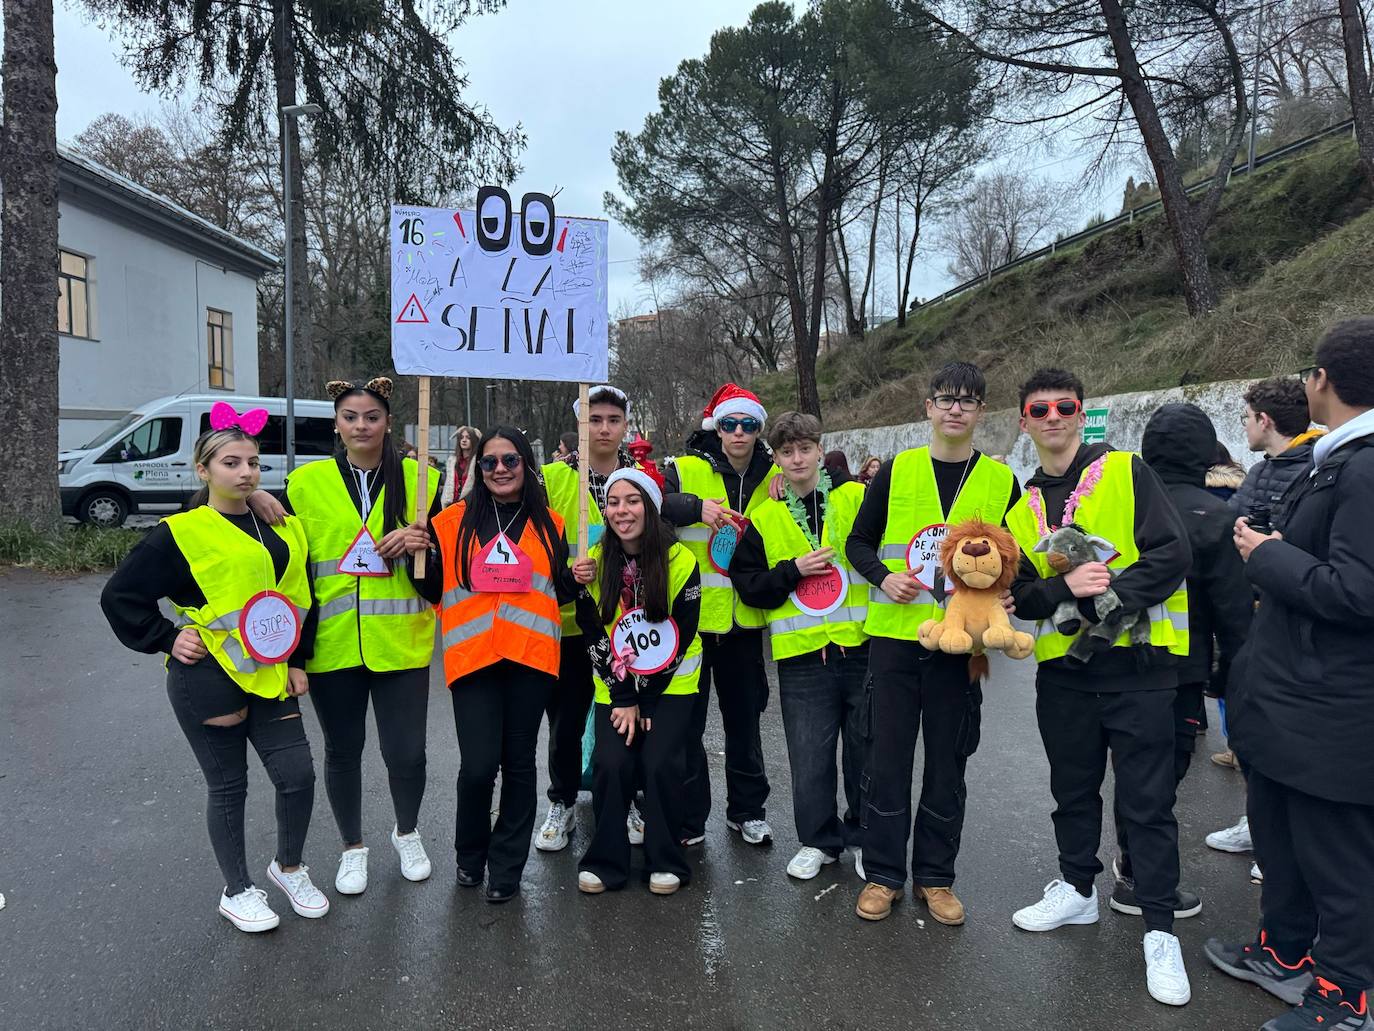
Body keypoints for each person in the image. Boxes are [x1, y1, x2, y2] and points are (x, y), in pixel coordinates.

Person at [1005, 367, 1194, 1007]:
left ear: (1080, 412)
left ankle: (1160, 930)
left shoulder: (1127, 471)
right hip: (1064, 675)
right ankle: (1077, 890)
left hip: (1140, 672)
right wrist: (1064, 591)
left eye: (1065, 406)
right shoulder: (1020, 504)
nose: (1053, 416)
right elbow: (1023, 596)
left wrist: (1104, 599)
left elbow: (1172, 554)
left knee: (1146, 805)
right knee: (1072, 791)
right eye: (1040, 408)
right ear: (1023, 420)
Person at [1207, 319, 1374, 1031]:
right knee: (1282, 838)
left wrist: (1268, 554)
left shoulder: (1365, 467)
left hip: (1331, 709)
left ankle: (1347, 997)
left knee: (1336, 857)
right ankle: (1286, 953)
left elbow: (1358, 591)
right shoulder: (1334, 457)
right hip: (1289, 703)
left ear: (1321, 381)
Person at [102, 421, 326, 933]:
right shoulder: (180, 532)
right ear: (202, 470)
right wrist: (164, 637)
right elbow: (120, 596)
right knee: (229, 786)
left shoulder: (280, 522)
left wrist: (298, 660)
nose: (246, 472)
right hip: (207, 676)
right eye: (231, 463)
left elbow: (300, 597)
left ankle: (289, 867)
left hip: (271, 674)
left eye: (253, 463)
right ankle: (238, 889)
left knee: (297, 776)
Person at [845, 361, 1020, 925]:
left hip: (962, 649)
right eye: (945, 398)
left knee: (949, 764)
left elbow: (1022, 559)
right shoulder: (897, 471)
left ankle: (937, 879)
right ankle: (883, 875)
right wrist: (881, 575)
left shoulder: (999, 481)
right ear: (928, 407)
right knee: (887, 761)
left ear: (980, 412)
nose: (954, 409)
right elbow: (859, 542)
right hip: (896, 644)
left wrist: (1012, 595)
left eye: (967, 401)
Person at [269, 378, 439, 899]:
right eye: (350, 416)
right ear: (337, 424)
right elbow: (286, 561)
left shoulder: (422, 479)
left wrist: (420, 542)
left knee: (407, 753)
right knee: (344, 750)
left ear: (389, 421)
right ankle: (352, 848)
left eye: (371, 416)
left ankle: (407, 833)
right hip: (333, 645)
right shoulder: (304, 482)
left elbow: (441, 576)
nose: (361, 426)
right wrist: (254, 493)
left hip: (401, 640)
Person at [428, 425, 581, 903]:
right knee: (477, 766)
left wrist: (578, 579)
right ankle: (469, 856)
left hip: (530, 660)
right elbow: (433, 589)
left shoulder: (553, 525)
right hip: (473, 659)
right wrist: (419, 557)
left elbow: (562, 593)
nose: (499, 469)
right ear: (479, 469)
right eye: (490, 462)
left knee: (518, 765)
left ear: (526, 466)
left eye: (510, 460)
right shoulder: (449, 522)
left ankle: (507, 867)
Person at [1113, 404, 1252, 917]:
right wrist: (1229, 673)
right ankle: (1142, 876)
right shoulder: (1219, 516)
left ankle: (1128, 863)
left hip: (1121, 658)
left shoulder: (1124, 503)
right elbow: (1236, 614)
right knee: (1162, 772)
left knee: (1127, 767)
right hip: (1185, 667)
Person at [732, 412, 869, 881]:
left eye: (805, 449)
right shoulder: (764, 514)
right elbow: (747, 584)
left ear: (819, 449)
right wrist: (792, 570)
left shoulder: (853, 497)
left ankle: (864, 838)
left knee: (865, 751)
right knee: (808, 755)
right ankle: (818, 841)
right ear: (776, 457)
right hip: (802, 656)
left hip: (860, 646)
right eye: (786, 452)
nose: (797, 459)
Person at [570, 470, 702, 895]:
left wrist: (645, 703)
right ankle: (607, 861)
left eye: (632, 501)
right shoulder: (594, 560)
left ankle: (666, 859)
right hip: (617, 687)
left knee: (659, 761)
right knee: (612, 764)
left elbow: (679, 638)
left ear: (650, 506)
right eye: (613, 502)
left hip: (671, 686)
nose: (622, 511)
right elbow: (592, 633)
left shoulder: (681, 561)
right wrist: (625, 697)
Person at [661, 383, 780, 847]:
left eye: (748, 425)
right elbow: (648, 502)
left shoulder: (774, 473)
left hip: (745, 621)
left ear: (757, 429)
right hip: (692, 621)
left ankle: (747, 812)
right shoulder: (686, 468)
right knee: (689, 724)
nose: (738, 433)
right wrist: (695, 507)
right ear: (717, 425)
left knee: (745, 724)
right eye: (729, 423)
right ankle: (691, 821)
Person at [535, 384, 643, 854]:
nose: (603, 429)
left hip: (627, 627)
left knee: (629, 715)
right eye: (593, 420)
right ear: (580, 426)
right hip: (569, 623)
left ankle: (631, 798)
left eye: (612, 421)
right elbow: (529, 537)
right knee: (566, 719)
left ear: (624, 427)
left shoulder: (641, 477)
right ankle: (560, 801)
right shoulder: (554, 478)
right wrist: (565, 572)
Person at [1231, 377, 1323, 523]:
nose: (1245, 426)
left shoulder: (1316, 472)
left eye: (1246, 417)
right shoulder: (1258, 470)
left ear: (1263, 420)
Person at [442, 425, 481, 507]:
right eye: (461, 437)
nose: (464, 440)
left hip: (469, 505)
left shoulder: (478, 461)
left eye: (468, 437)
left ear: (474, 440)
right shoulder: (452, 461)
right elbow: (448, 484)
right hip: (451, 505)